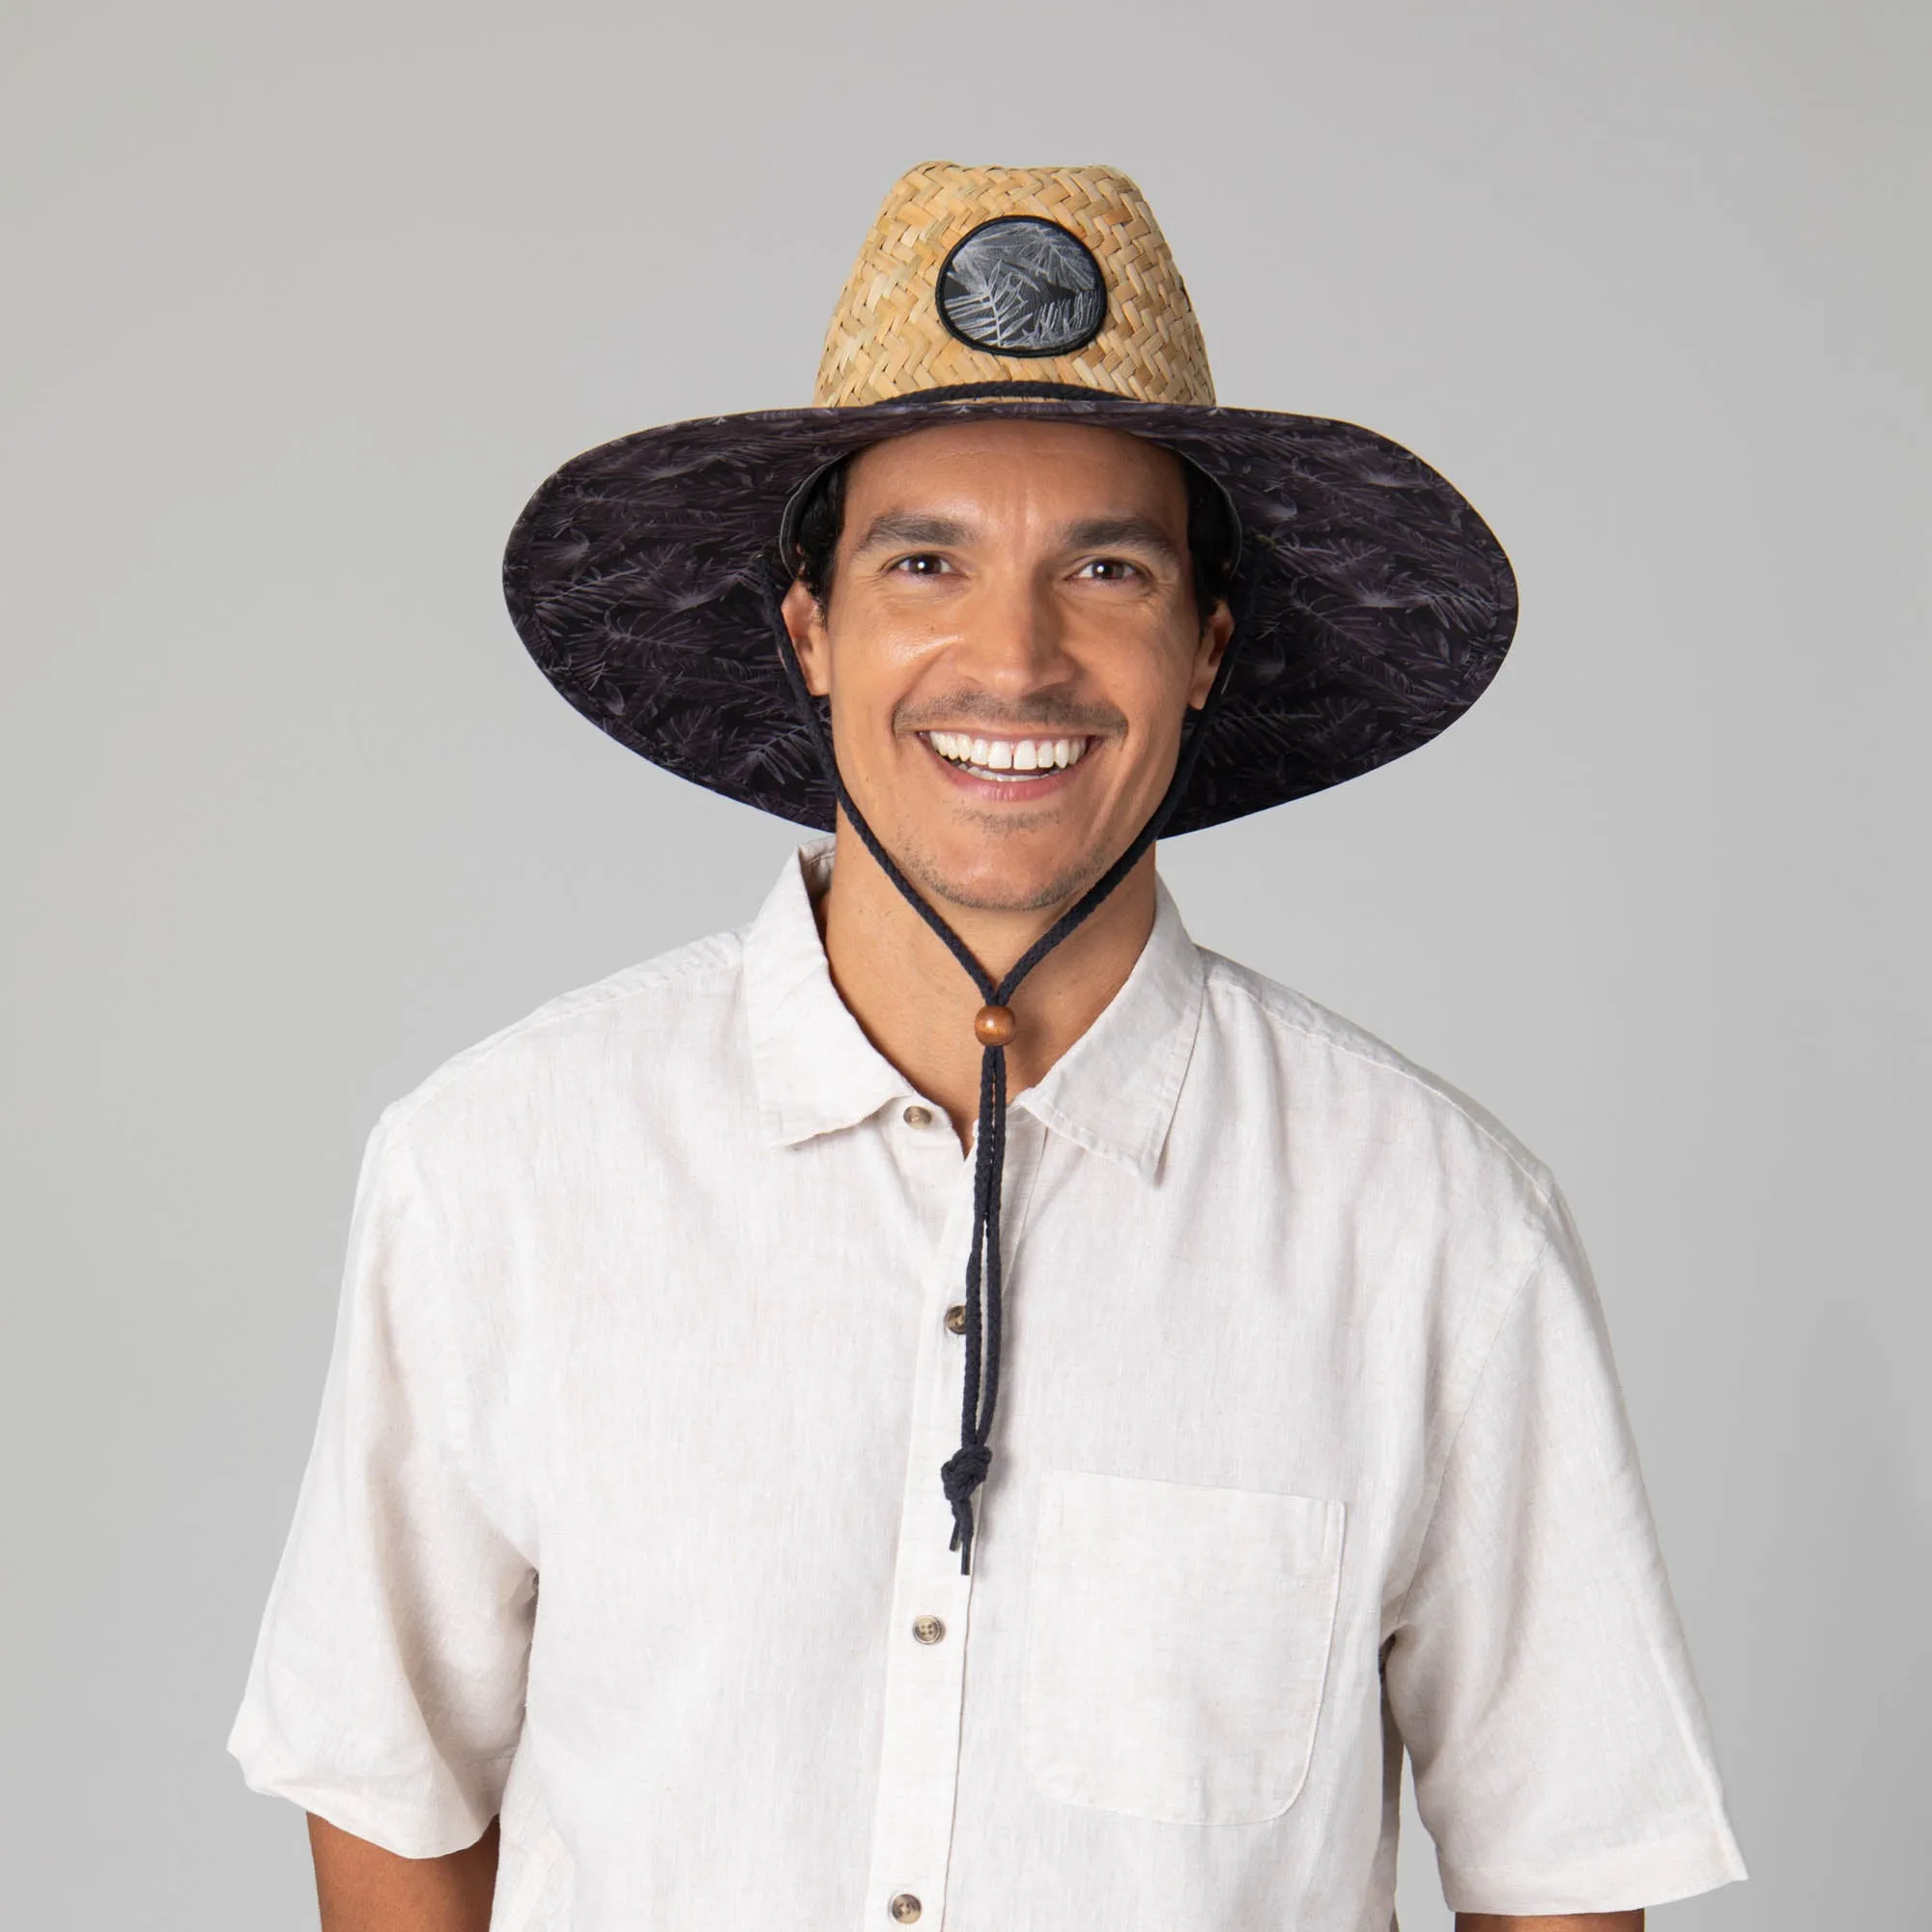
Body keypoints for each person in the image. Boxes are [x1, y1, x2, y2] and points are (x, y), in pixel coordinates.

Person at [229, 162, 1747, 1932]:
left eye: (1105, 568)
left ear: (1206, 647)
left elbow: (1562, 1865)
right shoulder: (498, 1170)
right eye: (924, 561)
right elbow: (389, 1787)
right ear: (812, 630)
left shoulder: (1437, 1231)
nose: (1014, 660)